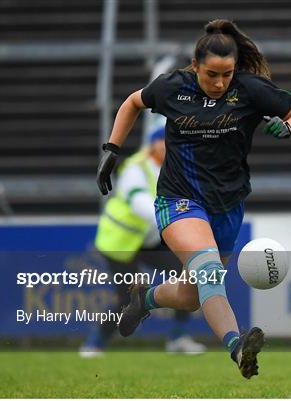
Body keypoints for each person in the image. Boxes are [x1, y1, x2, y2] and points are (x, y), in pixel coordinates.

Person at [96, 19, 291, 378]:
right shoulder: (173, 89)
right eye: (212, 74)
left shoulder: (251, 90)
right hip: (179, 201)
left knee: (192, 296)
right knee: (209, 272)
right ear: (195, 67)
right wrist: (113, 149)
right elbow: (133, 101)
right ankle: (236, 346)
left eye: (227, 74)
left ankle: (144, 299)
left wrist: (288, 128)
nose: (220, 83)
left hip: (228, 206)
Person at [81, 116, 206, 357]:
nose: (168, 145)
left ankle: (177, 338)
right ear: (153, 144)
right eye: (163, 140)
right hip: (118, 243)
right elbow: (140, 203)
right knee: (127, 297)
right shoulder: (135, 168)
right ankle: (94, 343)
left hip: (146, 240)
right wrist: (175, 223)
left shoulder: (174, 168)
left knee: (189, 274)